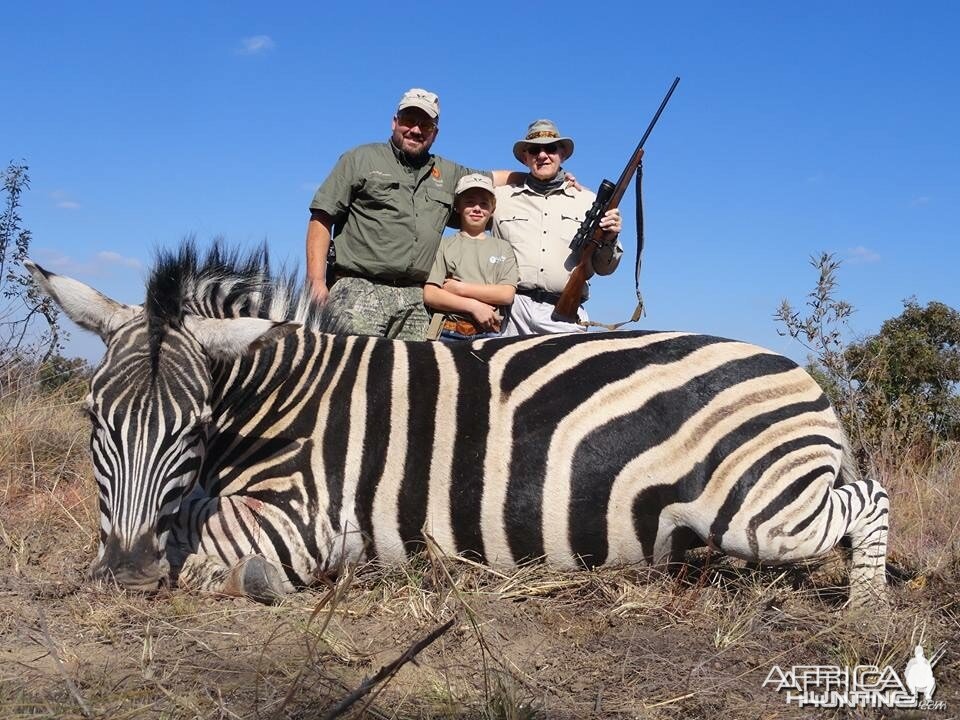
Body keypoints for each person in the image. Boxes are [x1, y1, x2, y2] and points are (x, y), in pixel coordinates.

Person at [306, 88, 506, 340]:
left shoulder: (448, 172)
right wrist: (315, 280)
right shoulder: (360, 158)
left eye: (426, 124)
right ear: (395, 122)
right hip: (359, 289)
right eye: (409, 120)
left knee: (412, 379)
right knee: (352, 375)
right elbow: (322, 216)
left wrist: (556, 177)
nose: (416, 130)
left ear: (435, 133)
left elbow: (495, 178)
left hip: (416, 299)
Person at [493, 119, 623, 335]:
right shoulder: (500, 198)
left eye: (550, 148)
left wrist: (610, 239)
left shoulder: (588, 200)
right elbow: (466, 181)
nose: (542, 155)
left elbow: (604, 268)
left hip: (563, 315)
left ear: (562, 153)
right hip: (510, 314)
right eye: (534, 150)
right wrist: (520, 177)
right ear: (525, 157)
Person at [423, 174, 518, 342]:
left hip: (488, 334)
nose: (477, 209)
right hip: (447, 332)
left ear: (492, 210)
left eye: (484, 204)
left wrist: (459, 288)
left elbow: (506, 294)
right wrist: (474, 306)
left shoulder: (503, 248)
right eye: (469, 202)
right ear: (458, 207)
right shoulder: (444, 245)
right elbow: (431, 294)